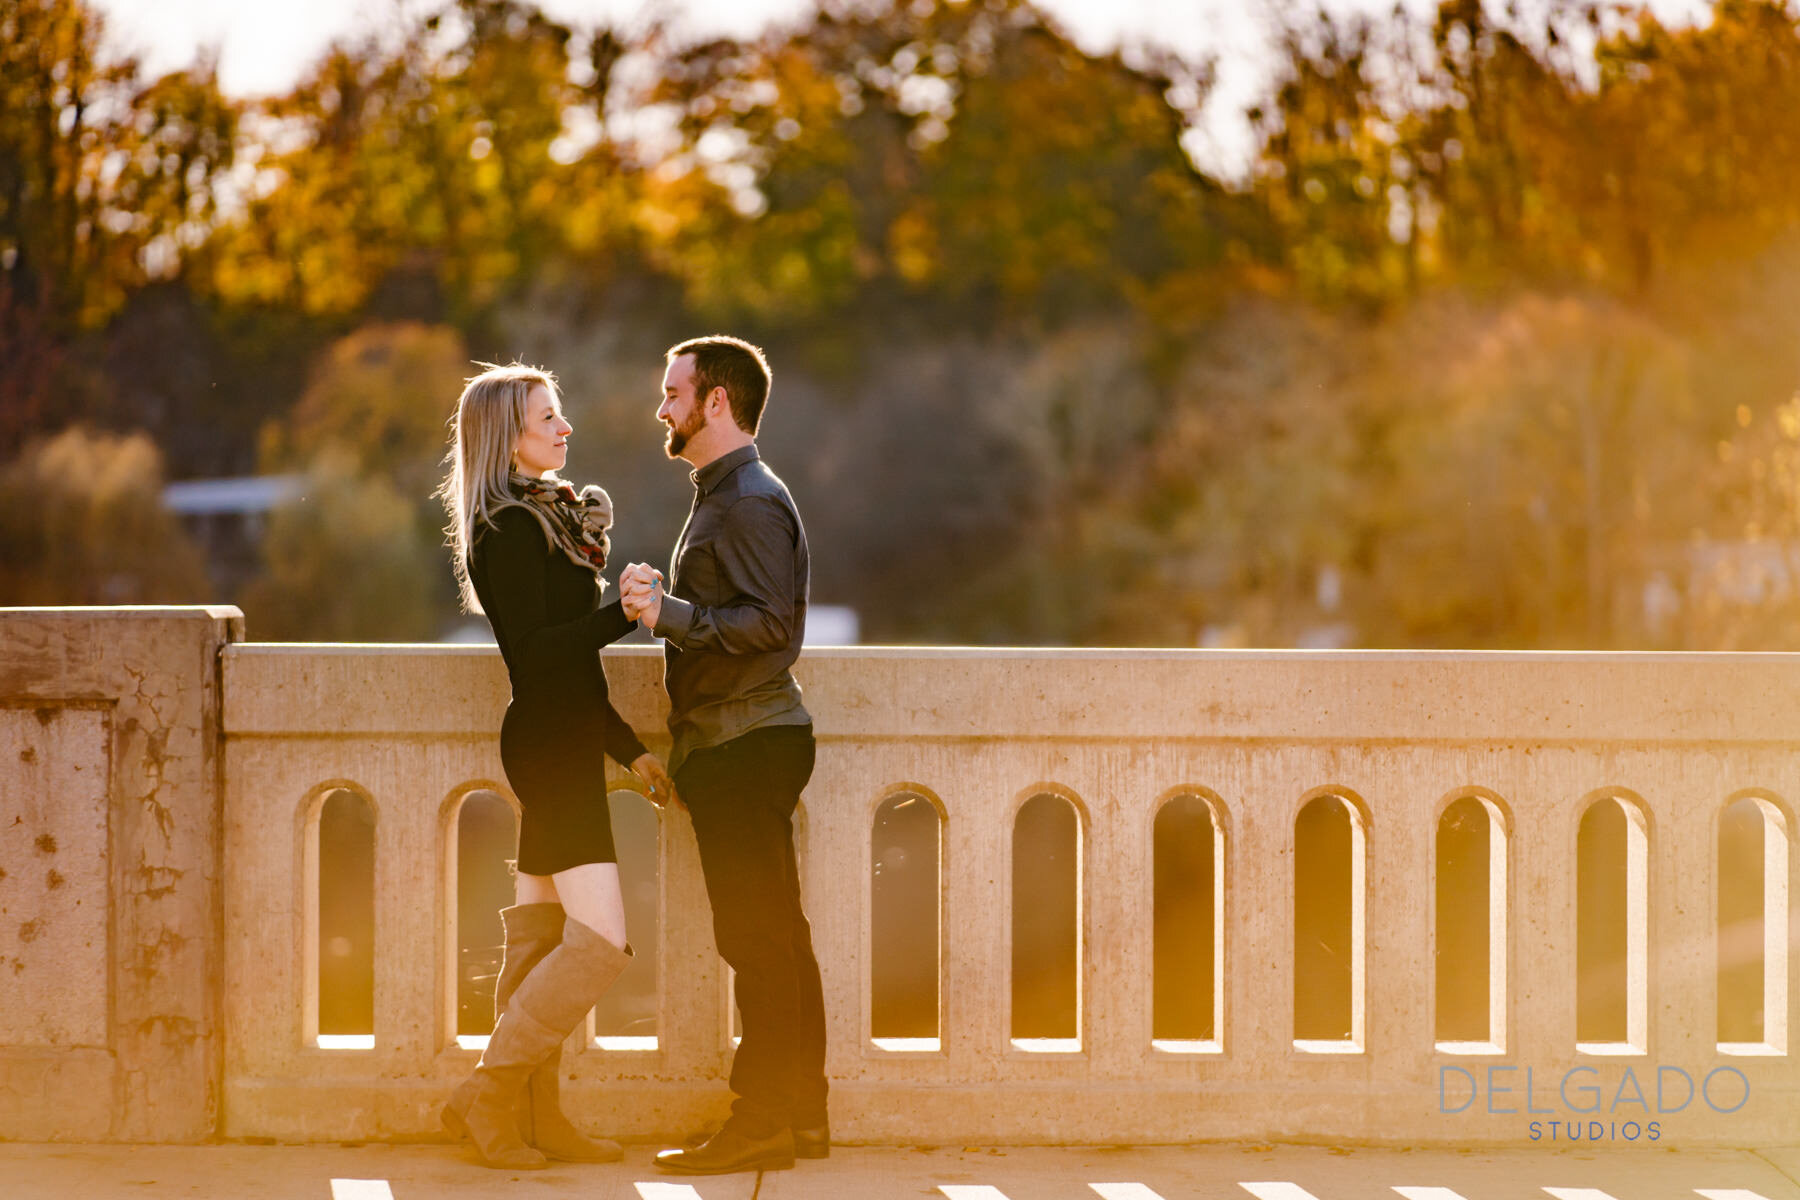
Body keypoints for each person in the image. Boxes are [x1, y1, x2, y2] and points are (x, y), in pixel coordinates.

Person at [435, 361, 677, 1170]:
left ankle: (539, 1120)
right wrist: (623, 613)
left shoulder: (549, 518)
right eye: (548, 419)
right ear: (510, 433)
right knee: (601, 942)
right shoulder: (505, 529)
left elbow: (574, 680)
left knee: (538, 941)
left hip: (568, 736)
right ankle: (487, 1095)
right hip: (546, 746)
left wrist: (631, 748)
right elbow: (538, 659)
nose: (565, 429)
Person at [618, 335, 825, 1176]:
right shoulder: (727, 494)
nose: (662, 407)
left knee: (757, 941)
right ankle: (801, 1118)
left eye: (674, 393)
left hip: (745, 743)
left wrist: (668, 616)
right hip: (739, 742)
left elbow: (774, 626)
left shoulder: (746, 500)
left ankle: (762, 1121)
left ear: (717, 402)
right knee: (778, 936)